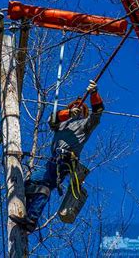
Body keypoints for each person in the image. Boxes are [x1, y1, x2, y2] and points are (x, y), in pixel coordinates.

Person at [10, 80, 104, 232]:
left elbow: (98, 111)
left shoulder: (85, 125)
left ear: (84, 113)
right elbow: (51, 120)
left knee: (45, 185)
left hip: (65, 160)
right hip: (52, 161)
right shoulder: (62, 124)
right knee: (30, 183)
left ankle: (31, 219)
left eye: (80, 108)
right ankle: (26, 213)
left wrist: (94, 93)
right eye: (74, 107)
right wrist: (67, 114)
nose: (77, 109)